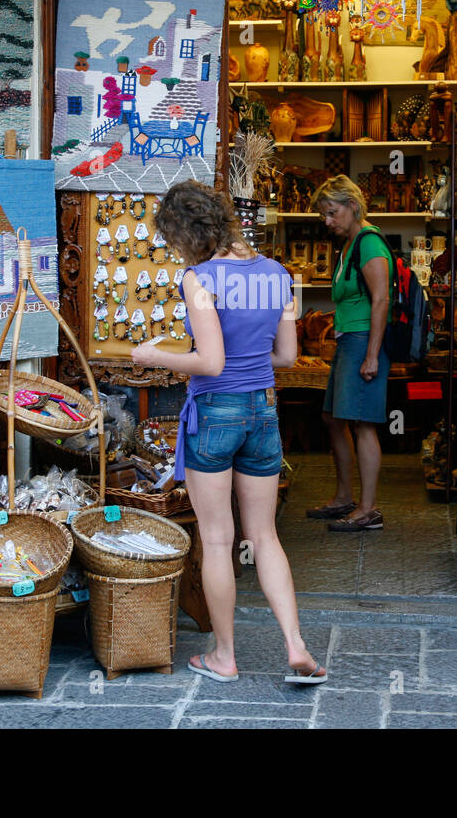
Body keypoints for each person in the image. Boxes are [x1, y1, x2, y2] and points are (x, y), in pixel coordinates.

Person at [131, 180, 326, 685]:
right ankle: (296, 645)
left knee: (218, 541)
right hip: (263, 411)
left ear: (185, 235)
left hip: (215, 412)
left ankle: (223, 655)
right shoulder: (280, 274)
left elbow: (211, 362)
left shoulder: (199, 279)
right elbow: (285, 355)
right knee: (265, 536)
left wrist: (155, 356)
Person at [305, 175, 391, 532]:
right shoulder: (350, 244)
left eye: (332, 212)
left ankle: (368, 509)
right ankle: (344, 497)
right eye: (324, 214)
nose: (327, 221)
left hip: (362, 341)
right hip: (347, 340)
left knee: (363, 423)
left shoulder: (369, 243)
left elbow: (381, 299)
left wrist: (371, 355)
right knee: (333, 418)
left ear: (352, 207)